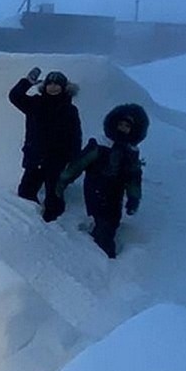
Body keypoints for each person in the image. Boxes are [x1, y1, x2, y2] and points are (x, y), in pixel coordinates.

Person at [56, 103, 149, 259]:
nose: (123, 128)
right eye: (121, 124)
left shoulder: (131, 152)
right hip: (96, 187)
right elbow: (79, 164)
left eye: (128, 126)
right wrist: (62, 181)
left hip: (115, 193)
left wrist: (134, 198)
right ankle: (102, 256)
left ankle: (100, 250)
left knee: (112, 221)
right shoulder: (100, 145)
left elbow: (133, 177)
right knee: (103, 223)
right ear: (113, 123)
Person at [8, 67, 82, 222]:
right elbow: (14, 96)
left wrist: (74, 161)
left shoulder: (70, 110)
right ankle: (29, 224)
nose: (53, 87)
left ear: (64, 87)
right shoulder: (35, 103)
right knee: (25, 193)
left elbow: (75, 137)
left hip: (57, 160)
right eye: (50, 84)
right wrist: (27, 82)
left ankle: (52, 230)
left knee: (54, 197)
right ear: (45, 86)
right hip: (35, 157)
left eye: (57, 84)